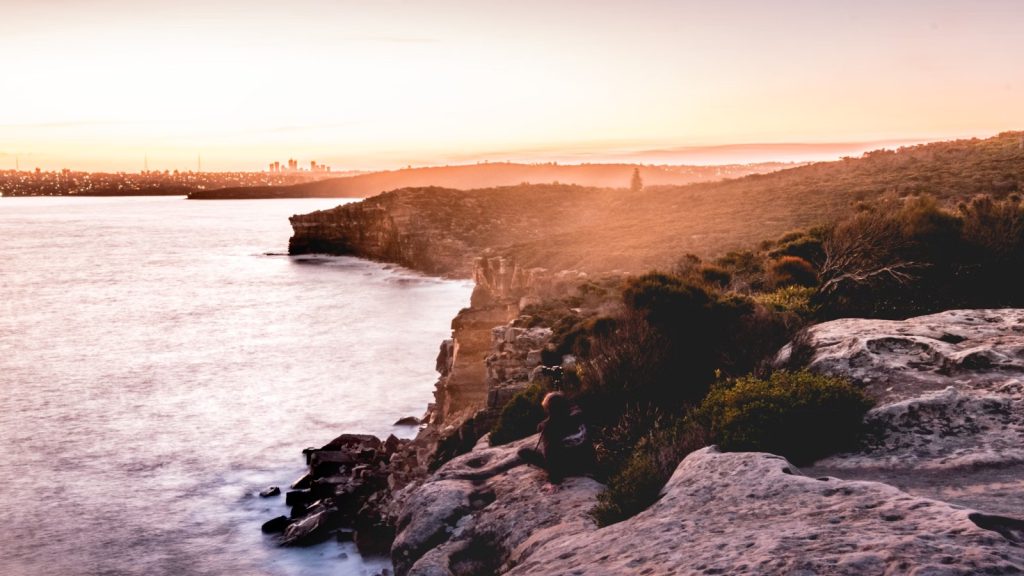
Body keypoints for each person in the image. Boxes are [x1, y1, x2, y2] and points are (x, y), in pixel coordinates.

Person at [518, 391, 593, 484]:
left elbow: (550, 456)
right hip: (586, 463)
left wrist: (554, 480)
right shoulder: (580, 416)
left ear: (549, 410)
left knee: (523, 451)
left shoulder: (550, 428)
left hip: (568, 468)